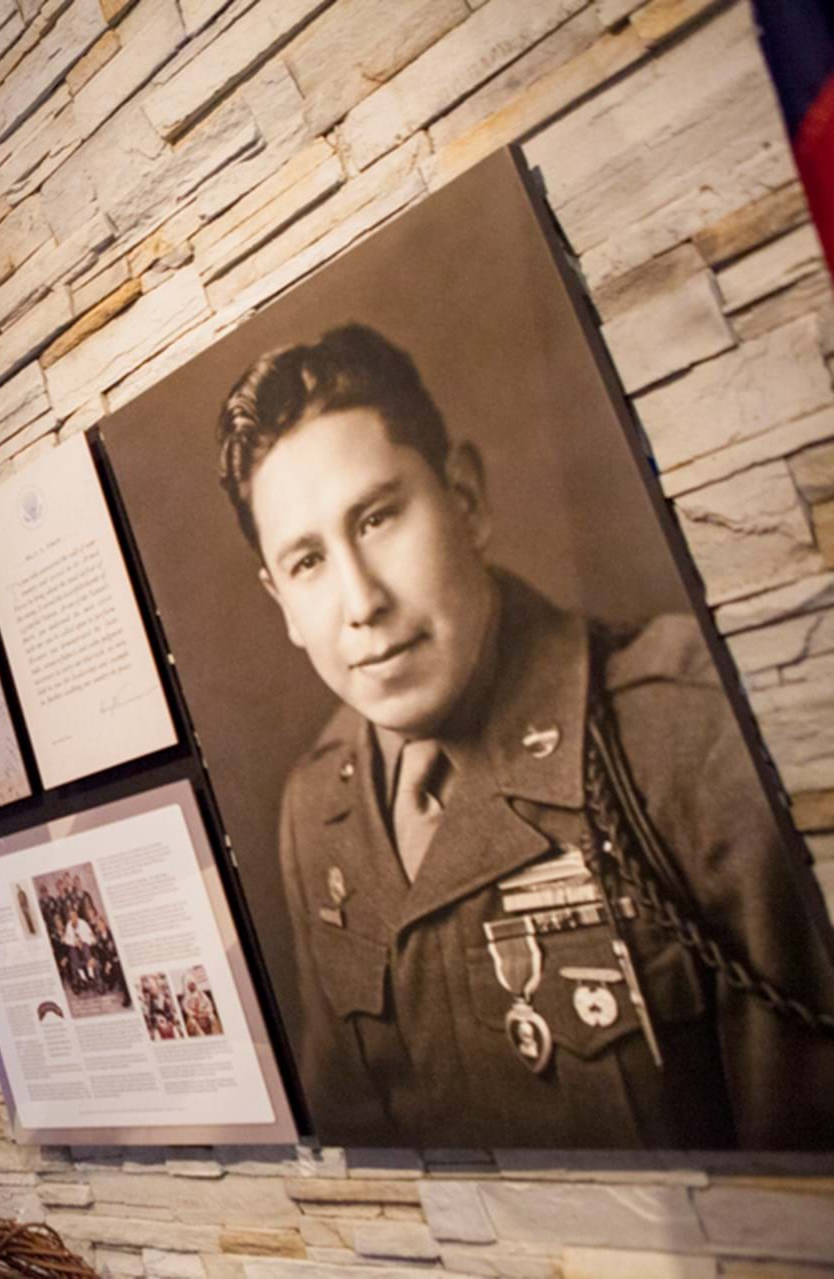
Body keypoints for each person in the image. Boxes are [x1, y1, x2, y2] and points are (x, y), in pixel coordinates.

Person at [217, 322, 834, 1149]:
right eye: (307, 562)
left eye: (377, 519)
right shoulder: (315, 813)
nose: (359, 600)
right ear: (279, 602)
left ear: (465, 498)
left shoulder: (683, 737)